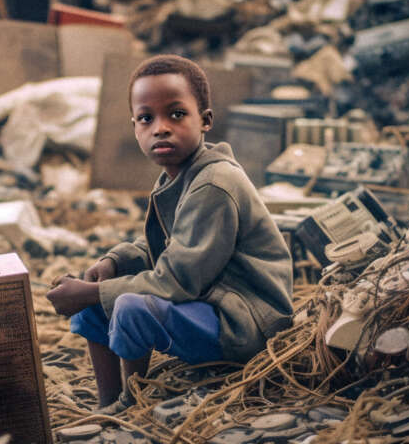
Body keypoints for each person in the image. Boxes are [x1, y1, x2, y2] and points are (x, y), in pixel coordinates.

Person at [46, 54, 294, 413]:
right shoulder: (179, 175)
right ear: (134, 126)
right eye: (147, 118)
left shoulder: (214, 183)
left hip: (247, 321)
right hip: (213, 299)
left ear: (205, 120)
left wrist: (95, 291)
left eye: (176, 114)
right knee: (92, 308)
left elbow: (177, 280)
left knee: (129, 306)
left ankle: (133, 406)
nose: (160, 127)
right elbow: (163, 245)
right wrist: (113, 262)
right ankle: (108, 404)